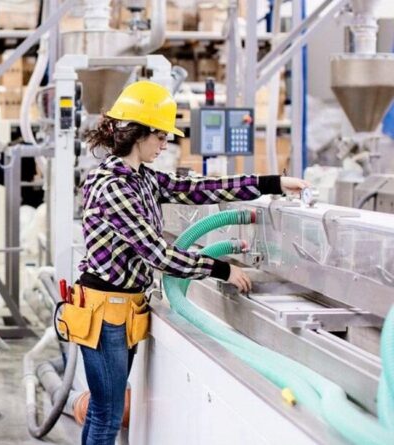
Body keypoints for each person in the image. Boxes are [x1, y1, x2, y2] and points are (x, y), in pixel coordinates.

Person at [74, 80, 308, 444]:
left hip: (123, 309)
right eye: (162, 136)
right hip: (105, 313)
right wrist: (221, 269)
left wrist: (272, 182)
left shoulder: (142, 178)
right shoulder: (114, 186)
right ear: (141, 134)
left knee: (105, 409)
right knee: (106, 413)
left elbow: (198, 188)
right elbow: (158, 254)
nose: (166, 144)